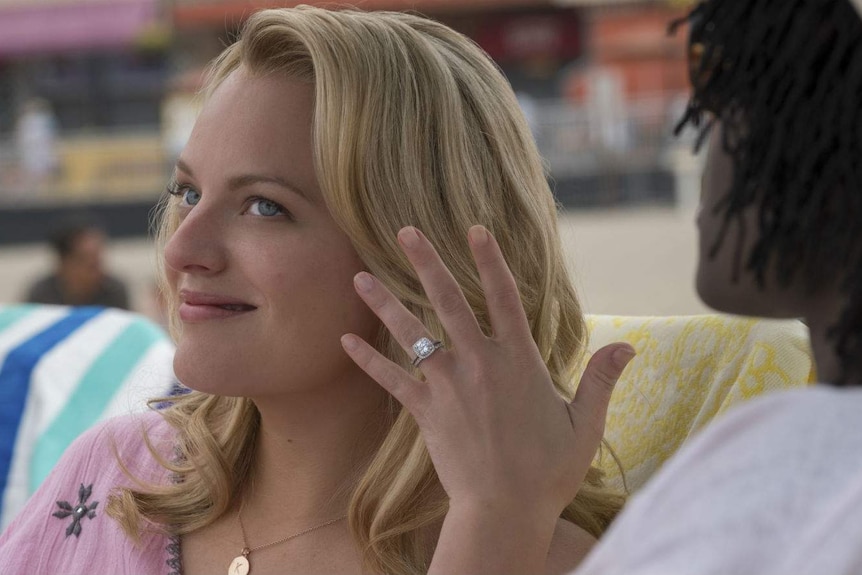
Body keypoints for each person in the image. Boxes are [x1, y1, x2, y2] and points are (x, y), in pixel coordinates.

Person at [0, 7, 636, 575]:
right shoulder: (110, 478)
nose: (180, 250)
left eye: (264, 207)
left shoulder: (537, 555)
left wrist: (495, 523)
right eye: (189, 193)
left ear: (421, 256)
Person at [439, 0, 861, 573]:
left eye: (725, 122)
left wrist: (496, 512)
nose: (703, 161)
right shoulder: (779, 440)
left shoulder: (810, 476)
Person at [25, 222, 130, 309]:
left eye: (98, 259)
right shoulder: (42, 295)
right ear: (64, 262)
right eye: (86, 260)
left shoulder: (113, 292)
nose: (96, 267)